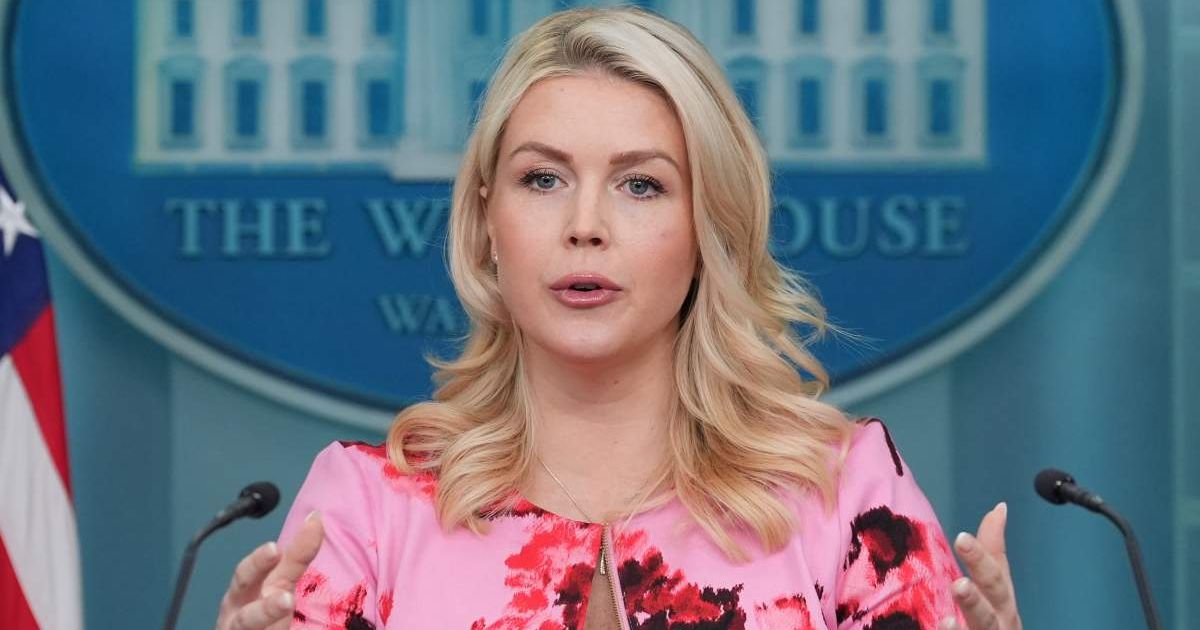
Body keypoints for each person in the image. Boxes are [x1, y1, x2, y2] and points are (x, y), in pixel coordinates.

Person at [215, 7, 1021, 630]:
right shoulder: (369, 506)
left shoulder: (843, 493)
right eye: (542, 180)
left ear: (709, 228)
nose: (585, 224)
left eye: (641, 185)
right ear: (485, 220)